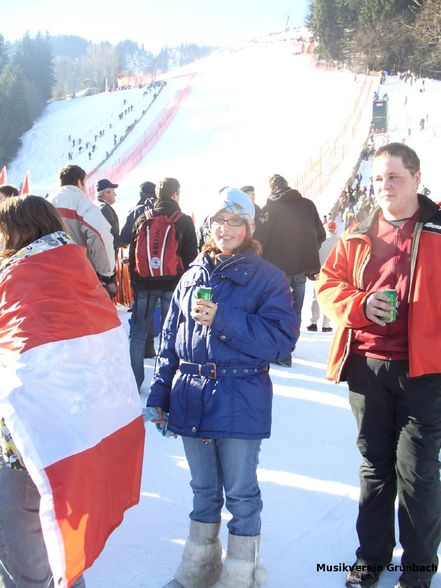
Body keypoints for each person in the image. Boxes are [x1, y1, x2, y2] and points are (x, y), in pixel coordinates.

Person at [146, 188, 297, 588]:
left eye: (234, 221)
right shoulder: (192, 275)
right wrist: (160, 394)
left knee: (242, 495)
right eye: (218, 220)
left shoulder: (268, 278)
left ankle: (240, 576)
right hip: (189, 393)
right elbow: (169, 339)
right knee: (203, 492)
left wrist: (223, 318)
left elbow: (281, 340)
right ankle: (198, 568)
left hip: (239, 396)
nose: (224, 228)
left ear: (248, 227)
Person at [0, 196, 143, 587]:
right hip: (69, 435)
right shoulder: (75, 269)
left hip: (21, 445)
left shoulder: (18, 278)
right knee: (59, 544)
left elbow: (19, 359)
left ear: (15, 232)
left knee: (22, 559)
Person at [317, 143, 441, 588]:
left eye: (394, 177)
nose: (384, 187)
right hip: (367, 367)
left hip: (425, 370)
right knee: (374, 467)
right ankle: (371, 556)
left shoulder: (437, 227)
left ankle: (418, 569)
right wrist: (361, 305)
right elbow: (328, 285)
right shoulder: (358, 230)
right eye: (377, 179)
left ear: (416, 176)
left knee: (419, 471)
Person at [128, 177, 198, 390]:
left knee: (139, 333)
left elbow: (132, 256)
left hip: (144, 285)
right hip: (173, 286)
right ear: (175, 194)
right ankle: (167, 381)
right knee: (172, 334)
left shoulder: (143, 218)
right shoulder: (183, 220)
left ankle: (135, 381)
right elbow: (191, 258)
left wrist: (136, 282)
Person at [254, 174, 325, 366]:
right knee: (295, 310)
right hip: (301, 269)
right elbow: (321, 234)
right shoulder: (308, 205)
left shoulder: (270, 209)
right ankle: (289, 347)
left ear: (272, 189)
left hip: (275, 272)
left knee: (277, 309)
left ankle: (282, 353)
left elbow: (259, 240)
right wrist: (308, 250)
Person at [48, 165, 115, 292]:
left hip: (51, 275)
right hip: (81, 273)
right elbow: (100, 234)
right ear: (79, 182)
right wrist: (106, 273)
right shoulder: (82, 203)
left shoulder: (45, 204)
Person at [120, 181, 157, 358]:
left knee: (141, 319)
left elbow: (124, 237)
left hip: (141, 274)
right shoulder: (167, 209)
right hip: (169, 276)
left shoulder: (137, 210)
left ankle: (144, 352)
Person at [306, 220, 339, 333]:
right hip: (333, 274)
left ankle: (314, 323)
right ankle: (326, 325)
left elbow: (314, 255)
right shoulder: (339, 241)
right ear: (335, 229)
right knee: (329, 298)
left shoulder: (320, 240)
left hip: (320, 272)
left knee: (316, 298)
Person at [96, 178, 122, 298]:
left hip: (100, 263)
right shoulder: (104, 209)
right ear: (105, 193)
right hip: (105, 265)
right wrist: (109, 277)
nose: (115, 194)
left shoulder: (95, 207)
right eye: (112, 191)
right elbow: (107, 239)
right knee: (108, 294)